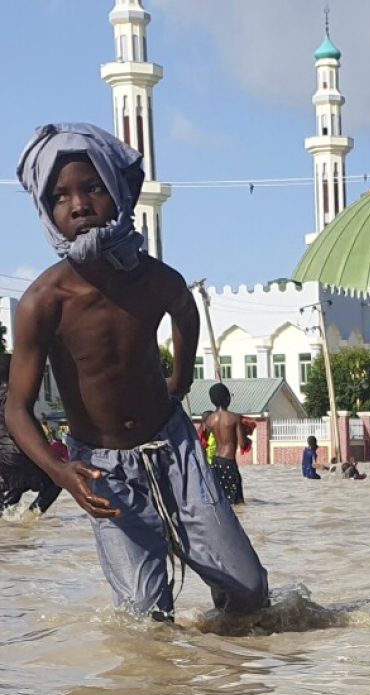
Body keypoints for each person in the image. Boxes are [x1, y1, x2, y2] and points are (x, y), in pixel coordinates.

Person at [8, 122, 268, 620]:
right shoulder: (44, 302)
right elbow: (18, 410)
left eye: (94, 188)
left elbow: (184, 309)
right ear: (46, 212)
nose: (79, 204)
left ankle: (230, 679)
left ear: (121, 191)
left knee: (249, 591)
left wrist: (180, 380)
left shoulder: (152, 279)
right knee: (145, 620)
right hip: (101, 468)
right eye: (61, 196)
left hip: (174, 448)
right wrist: (62, 472)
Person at [0, 352, 62, 515]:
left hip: (4, 455)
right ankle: (31, 517)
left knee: (16, 485)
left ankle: (9, 530)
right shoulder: (15, 397)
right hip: (16, 449)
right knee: (56, 481)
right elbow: (25, 424)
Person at [205, 382, 246, 505]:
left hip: (215, 463)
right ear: (228, 398)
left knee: (222, 501)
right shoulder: (234, 418)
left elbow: (206, 441)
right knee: (237, 502)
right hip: (229, 462)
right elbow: (243, 444)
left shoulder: (209, 420)